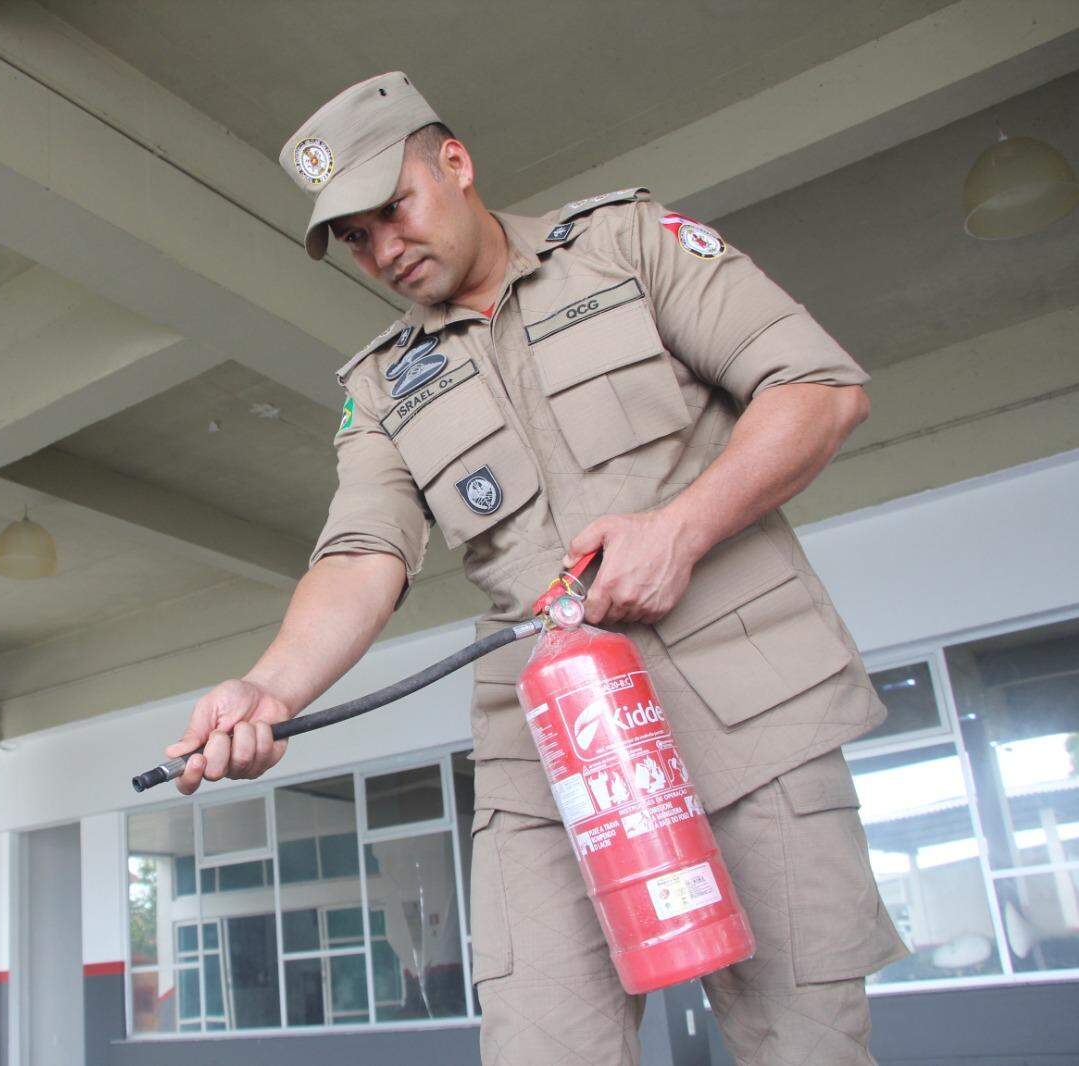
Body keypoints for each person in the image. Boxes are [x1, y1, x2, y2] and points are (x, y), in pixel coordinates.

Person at [165, 71, 907, 1064]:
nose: (384, 251)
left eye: (394, 209)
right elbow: (362, 548)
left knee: (803, 1043)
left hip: (751, 705)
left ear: (456, 164)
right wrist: (267, 688)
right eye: (355, 237)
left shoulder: (626, 245)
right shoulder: (384, 388)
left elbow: (817, 388)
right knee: (542, 1046)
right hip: (552, 750)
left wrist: (679, 529)